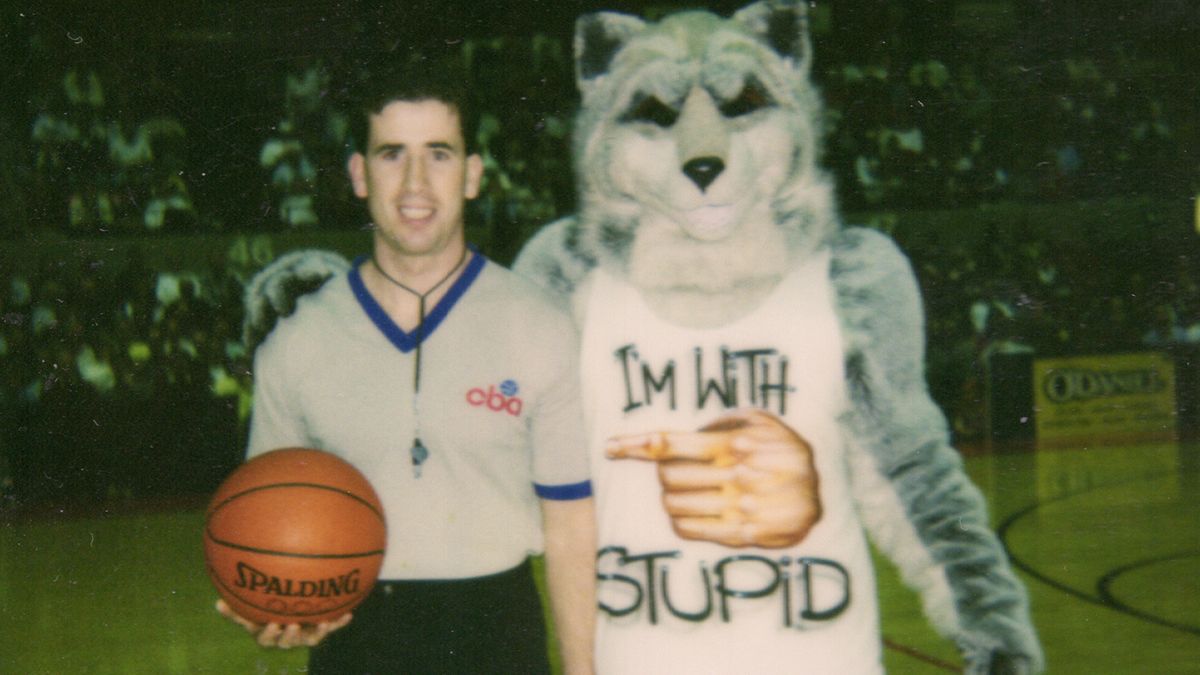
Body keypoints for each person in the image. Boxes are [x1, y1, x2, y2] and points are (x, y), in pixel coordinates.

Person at [218, 56, 597, 675]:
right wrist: (271, 604)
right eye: (392, 153)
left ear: (473, 175)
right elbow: (268, 516)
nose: (416, 181)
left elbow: (571, 528)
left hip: (497, 629)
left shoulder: (541, 327)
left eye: (439, 153)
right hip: (356, 639)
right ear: (359, 174)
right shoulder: (297, 344)